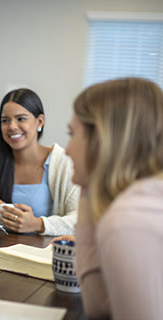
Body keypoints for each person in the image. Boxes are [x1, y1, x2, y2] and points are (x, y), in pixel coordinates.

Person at [65, 77, 163, 319]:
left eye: (72, 133)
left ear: (100, 137)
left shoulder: (129, 220)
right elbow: (100, 307)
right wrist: (89, 187)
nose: (66, 149)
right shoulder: (138, 202)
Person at [0, 88, 79, 235]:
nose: (12, 127)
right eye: (5, 120)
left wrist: (39, 224)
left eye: (21, 119)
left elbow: (81, 219)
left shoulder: (62, 161)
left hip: (39, 251)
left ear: (40, 121)